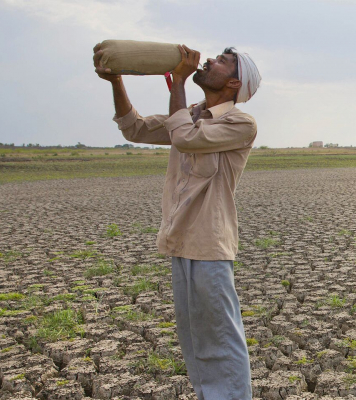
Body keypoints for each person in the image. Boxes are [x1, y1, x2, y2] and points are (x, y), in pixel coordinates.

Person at [93, 43, 261, 399]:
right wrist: (116, 81)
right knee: (195, 336)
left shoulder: (239, 123)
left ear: (233, 84)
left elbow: (183, 138)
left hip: (210, 244)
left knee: (221, 335)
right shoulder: (192, 113)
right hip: (181, 241)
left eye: (222, 62)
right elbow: (134, 128)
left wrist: (180, 80)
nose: (211, 60)